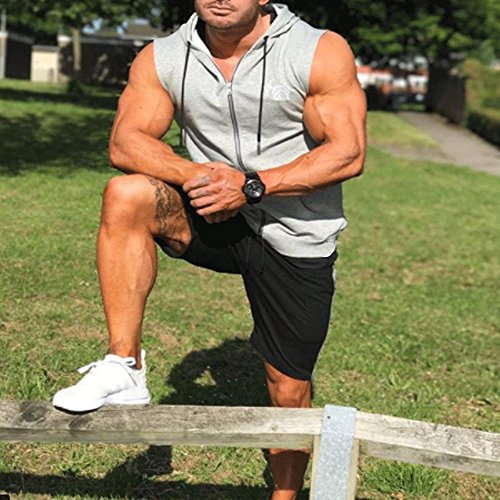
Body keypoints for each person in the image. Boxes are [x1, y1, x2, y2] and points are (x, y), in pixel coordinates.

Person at [52, 0, 367, 497]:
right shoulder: (163, 56)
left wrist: (251, 185)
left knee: (287, 388)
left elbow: (347, 152)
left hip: (294, 231)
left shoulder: (317, 51)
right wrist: (199, 177)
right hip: (213, 211)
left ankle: (285, 493)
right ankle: (125, 365)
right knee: (127, 195)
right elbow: (126, 142)